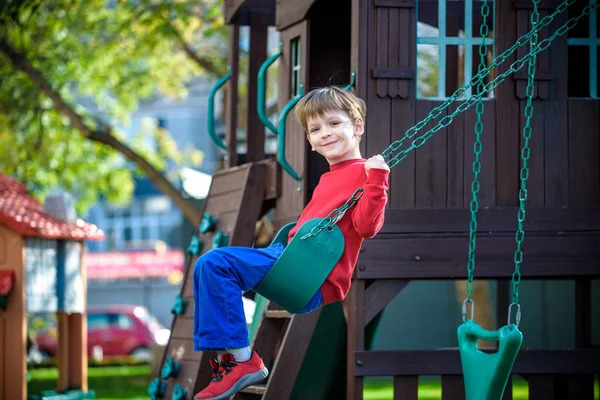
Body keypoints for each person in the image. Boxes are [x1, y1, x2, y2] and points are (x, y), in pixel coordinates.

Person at [193, 86, 390, 400]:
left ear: (357, 126)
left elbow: (367, 227)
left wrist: (378, 178)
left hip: (311, 275)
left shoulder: (366, 174)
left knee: (215, 263)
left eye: (334, 123)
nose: (325, 133)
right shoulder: (328, 178)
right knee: (209, 266)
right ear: (310, 142)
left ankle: (243, 362)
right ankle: (233, 360)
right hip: (292, 260)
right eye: (315, 129)